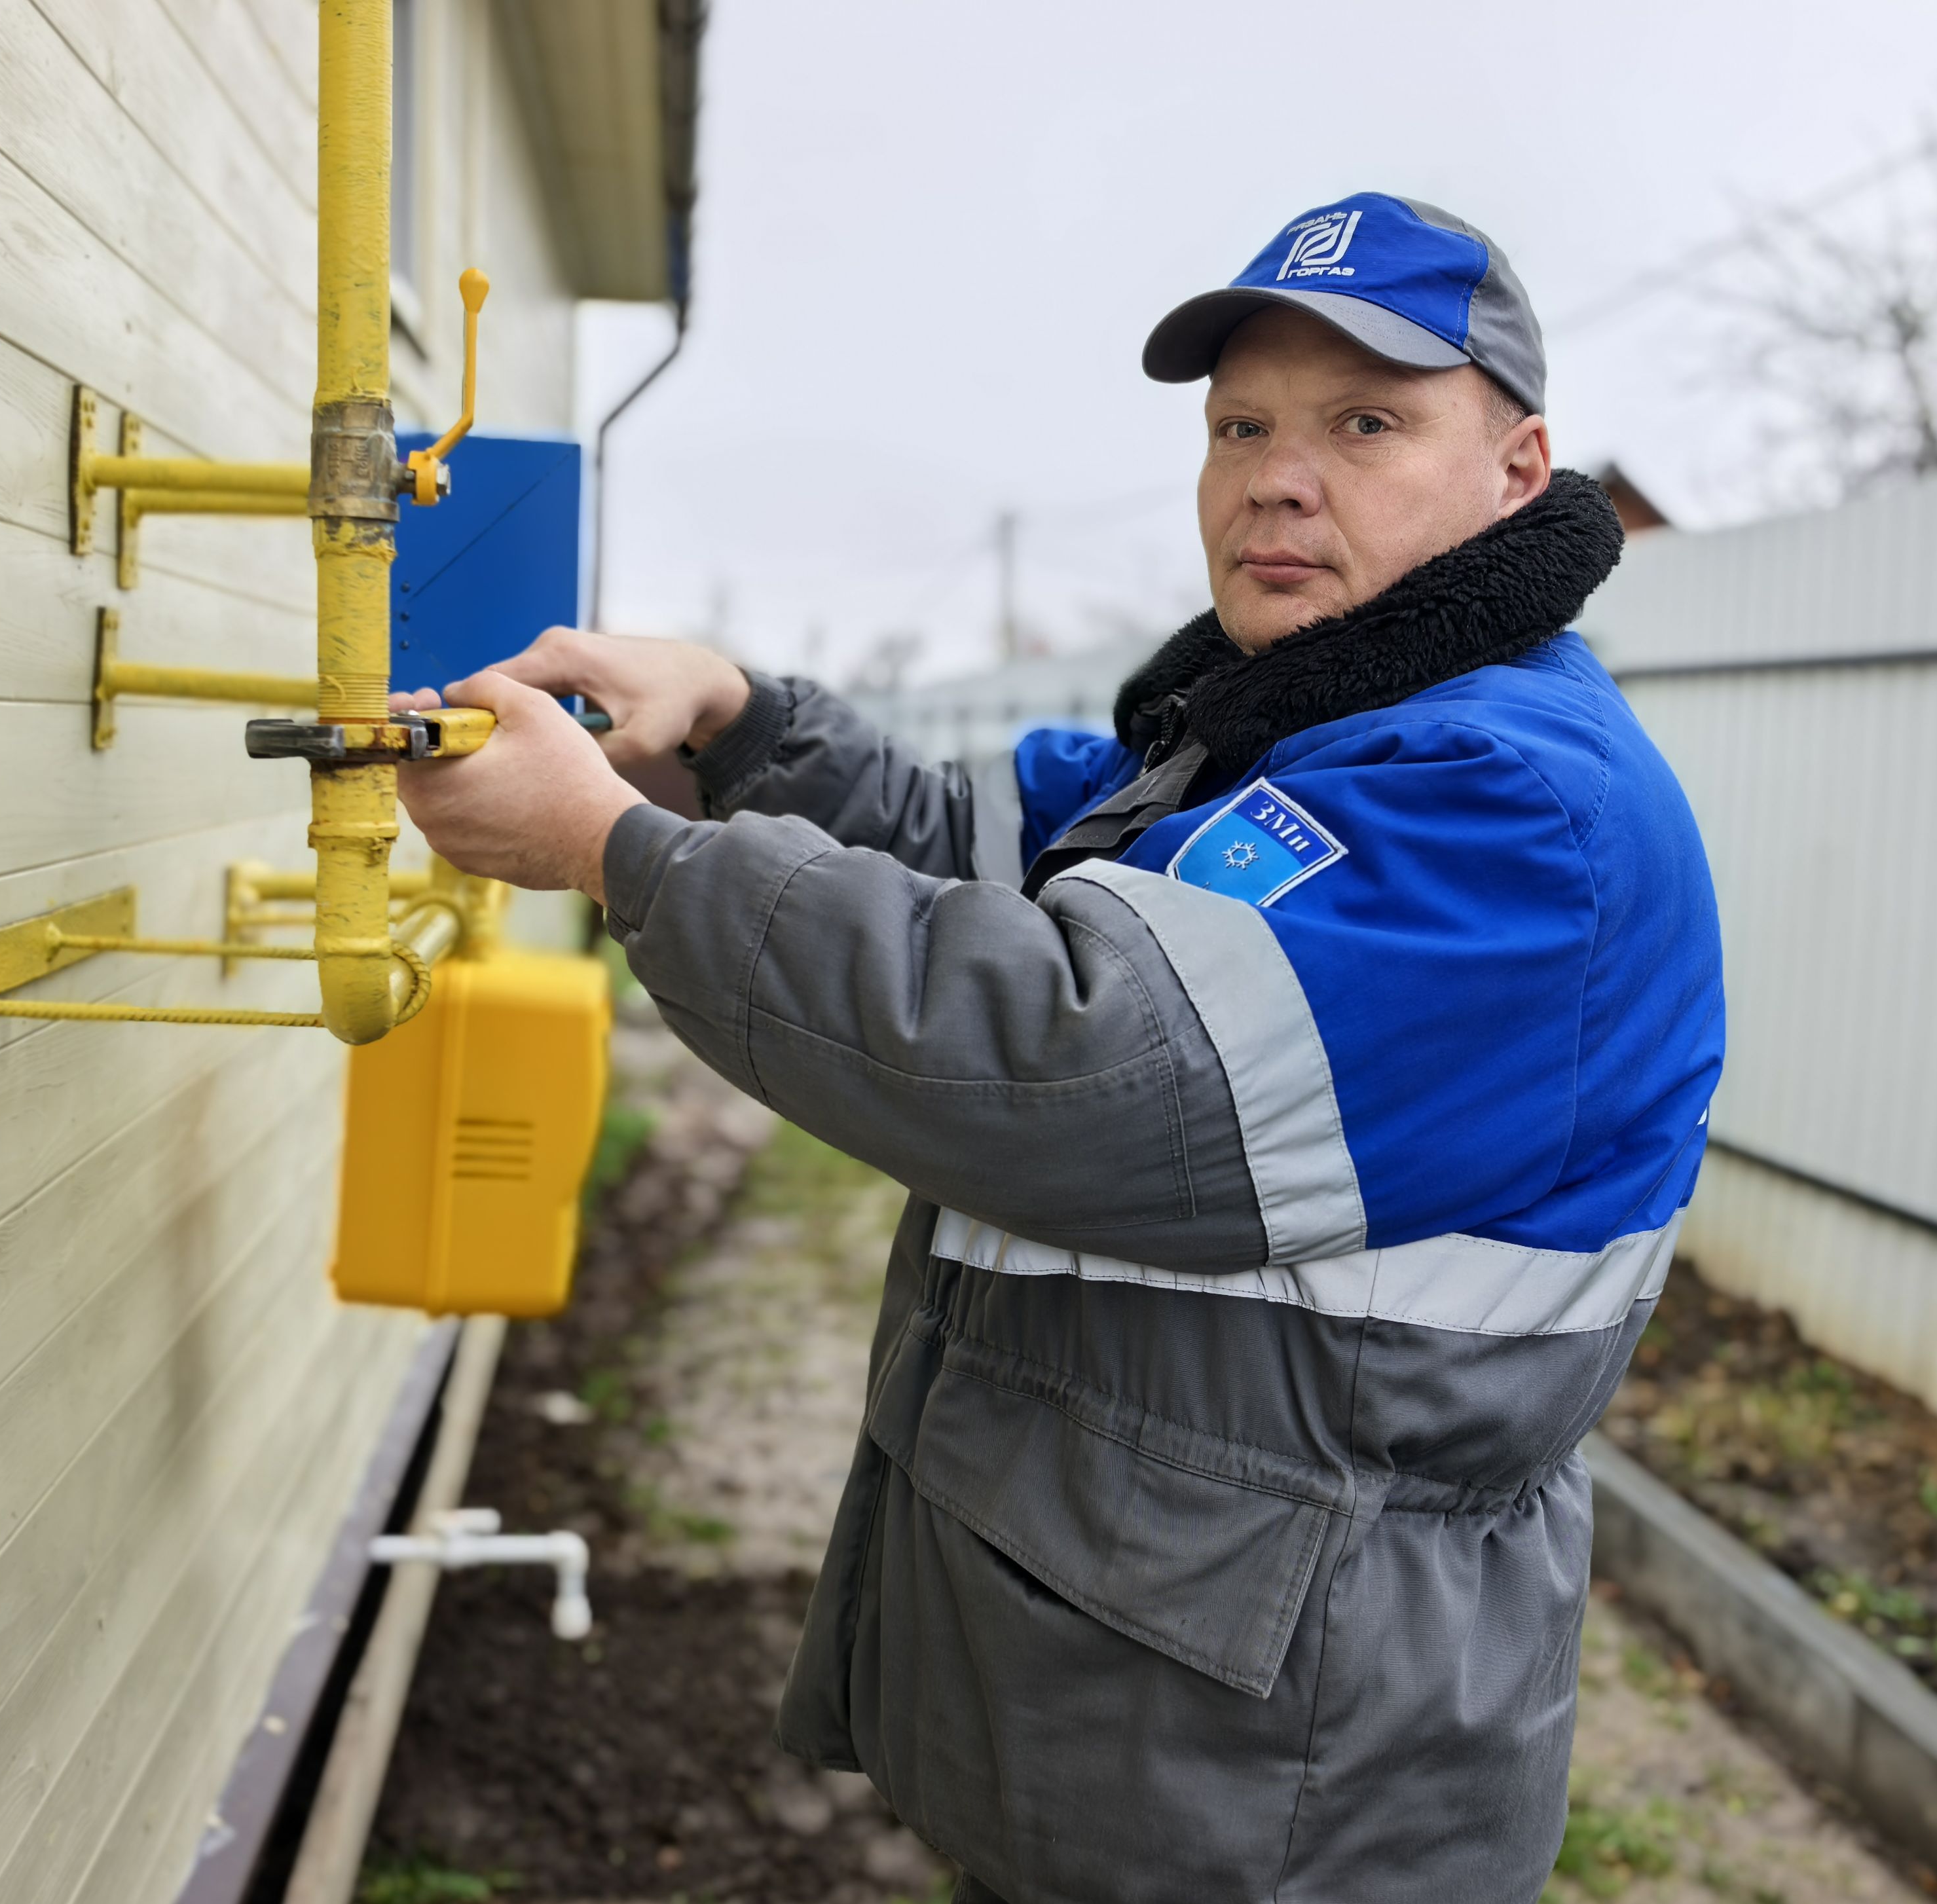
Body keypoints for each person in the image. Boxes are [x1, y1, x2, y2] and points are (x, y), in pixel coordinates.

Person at [394, 191, 1725, 1904]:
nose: (1275, 478)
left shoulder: (1504, 806)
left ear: (1519, 469)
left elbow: (1073, 1067)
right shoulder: (1277, 734)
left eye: (1364, 424)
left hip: (1276, 1788)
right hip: (1160, 1705)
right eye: (1240, 426)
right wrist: (732, 722)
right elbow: (973, 848)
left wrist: (616, 851)